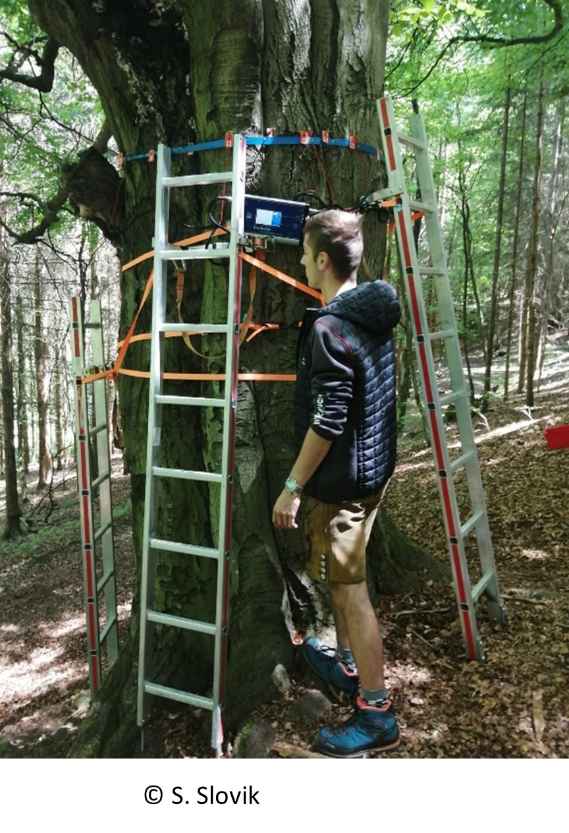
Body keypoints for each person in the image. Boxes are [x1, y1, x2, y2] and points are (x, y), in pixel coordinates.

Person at [272, 209, 401, 757]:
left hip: (344, 483)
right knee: (344, 585)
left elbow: (328, 419)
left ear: (323, 260)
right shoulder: (371, 312)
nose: (300, 261)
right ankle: (348, 667)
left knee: (351, 595)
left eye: (304, 253)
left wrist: (293, 486)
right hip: (372, 473)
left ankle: (376, 714)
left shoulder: (329, 327)